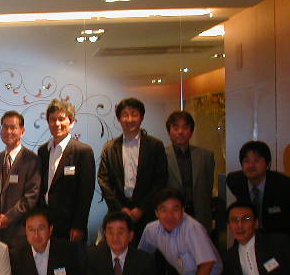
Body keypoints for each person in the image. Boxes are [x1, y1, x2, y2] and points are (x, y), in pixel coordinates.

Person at [98, 98, 168, 240]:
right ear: (119, 118)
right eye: (125, 115)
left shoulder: (155, 146)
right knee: (118, 248)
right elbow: (103, 180)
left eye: (134, 114)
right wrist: (120, 208)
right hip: (118, 212)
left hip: (147, 213)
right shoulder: (110, 148)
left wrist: (142, 208)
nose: (129, 119)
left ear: (141, 117)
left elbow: (160, 180)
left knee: (146, 250)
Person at [38, 99, 95, 242]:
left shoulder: (83, 151)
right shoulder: (43, 151)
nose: (57, 123)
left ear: (72, 122)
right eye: (52, 119)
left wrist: (79, 226)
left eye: (61, 119)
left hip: (70, 226)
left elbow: (86, 193)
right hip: (46, 222)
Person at [0, 110, 41, 250]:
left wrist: (9, 217)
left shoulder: (32, 160)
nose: (8, 131)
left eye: (13, 127)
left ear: (22, 131)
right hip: (1, 232)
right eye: (5, 127)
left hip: (22, 231)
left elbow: (31, 196)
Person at [165, 111, 215, 234]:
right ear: (169, 131)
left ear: (191, 131)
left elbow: (208, 187)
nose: (180, 132)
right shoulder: (160, 155)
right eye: (175, 127)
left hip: (199, 216)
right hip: (171, 217)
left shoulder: (206, 156)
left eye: (185, 127)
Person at [226, 140, 290, 235]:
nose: (251, 165)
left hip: (277, 235)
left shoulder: (284, 185)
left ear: (268, 164)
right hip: (247, 235)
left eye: (256, 161)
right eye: (246, 161)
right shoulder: (235, 181)